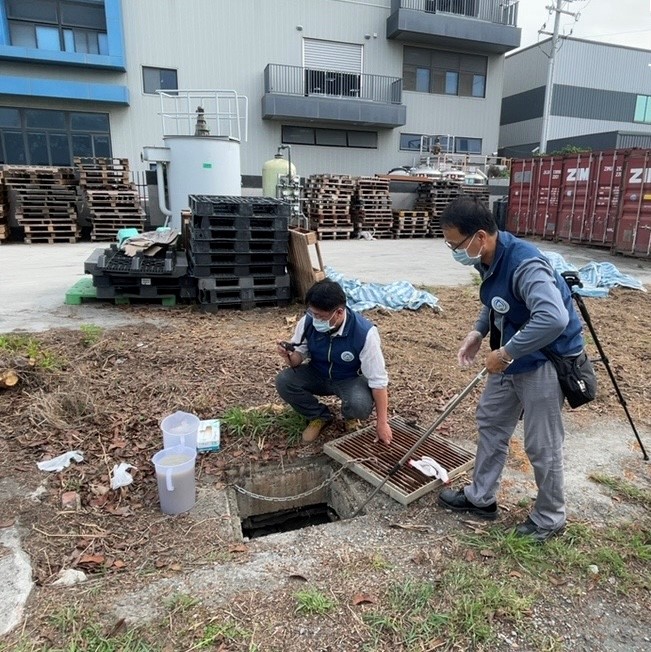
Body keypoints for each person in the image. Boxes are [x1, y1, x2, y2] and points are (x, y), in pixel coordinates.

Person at [436, 197, 585, 543]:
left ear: (481, 236)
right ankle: (481, 497)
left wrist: (505, 353)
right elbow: (496, 302)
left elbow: (553, 318)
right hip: (512, 358)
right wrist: (478, 332)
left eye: (456, 244)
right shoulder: (487, 259)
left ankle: (550, 518)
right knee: (490, 422)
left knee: (541, 443)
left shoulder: (525, 264)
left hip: (544, 361)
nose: (454, 251)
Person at [275, 279, 393, 446]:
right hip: (317, 372)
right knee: (284, 381)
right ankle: (319, 416)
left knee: (359, 404)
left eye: (320, 316)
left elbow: (378, 380)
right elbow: (298, 359)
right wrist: (289, 355)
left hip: (349, 378)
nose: (315, 319)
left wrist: (382, 422)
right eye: (312, 313)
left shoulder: (365, 333)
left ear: (338, 312)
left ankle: (351, 417)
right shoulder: (308, 322)